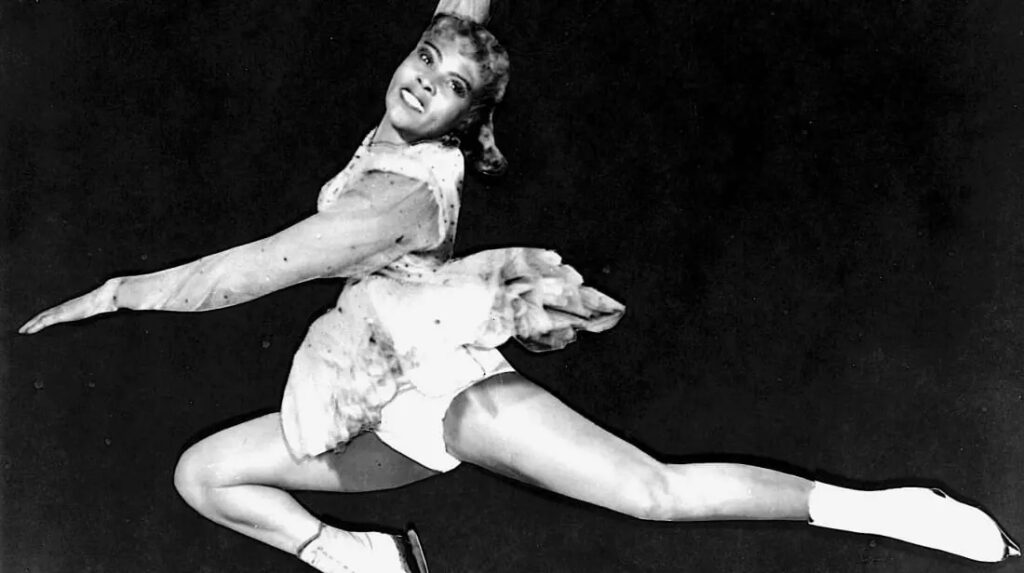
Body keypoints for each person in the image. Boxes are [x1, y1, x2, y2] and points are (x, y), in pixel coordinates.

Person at [18, 2, 1020, 572]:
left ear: (467, 117)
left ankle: (884, 508)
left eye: (449, 82)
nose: (422, 79)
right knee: (205, 476)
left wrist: (122, 288)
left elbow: (254, 268)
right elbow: (464, 5)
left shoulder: (404, 191)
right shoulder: (397, 127)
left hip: (447, 394)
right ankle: (362, 563)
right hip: (371, 401)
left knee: (651, 496)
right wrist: (458, 22)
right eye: (421, 57)